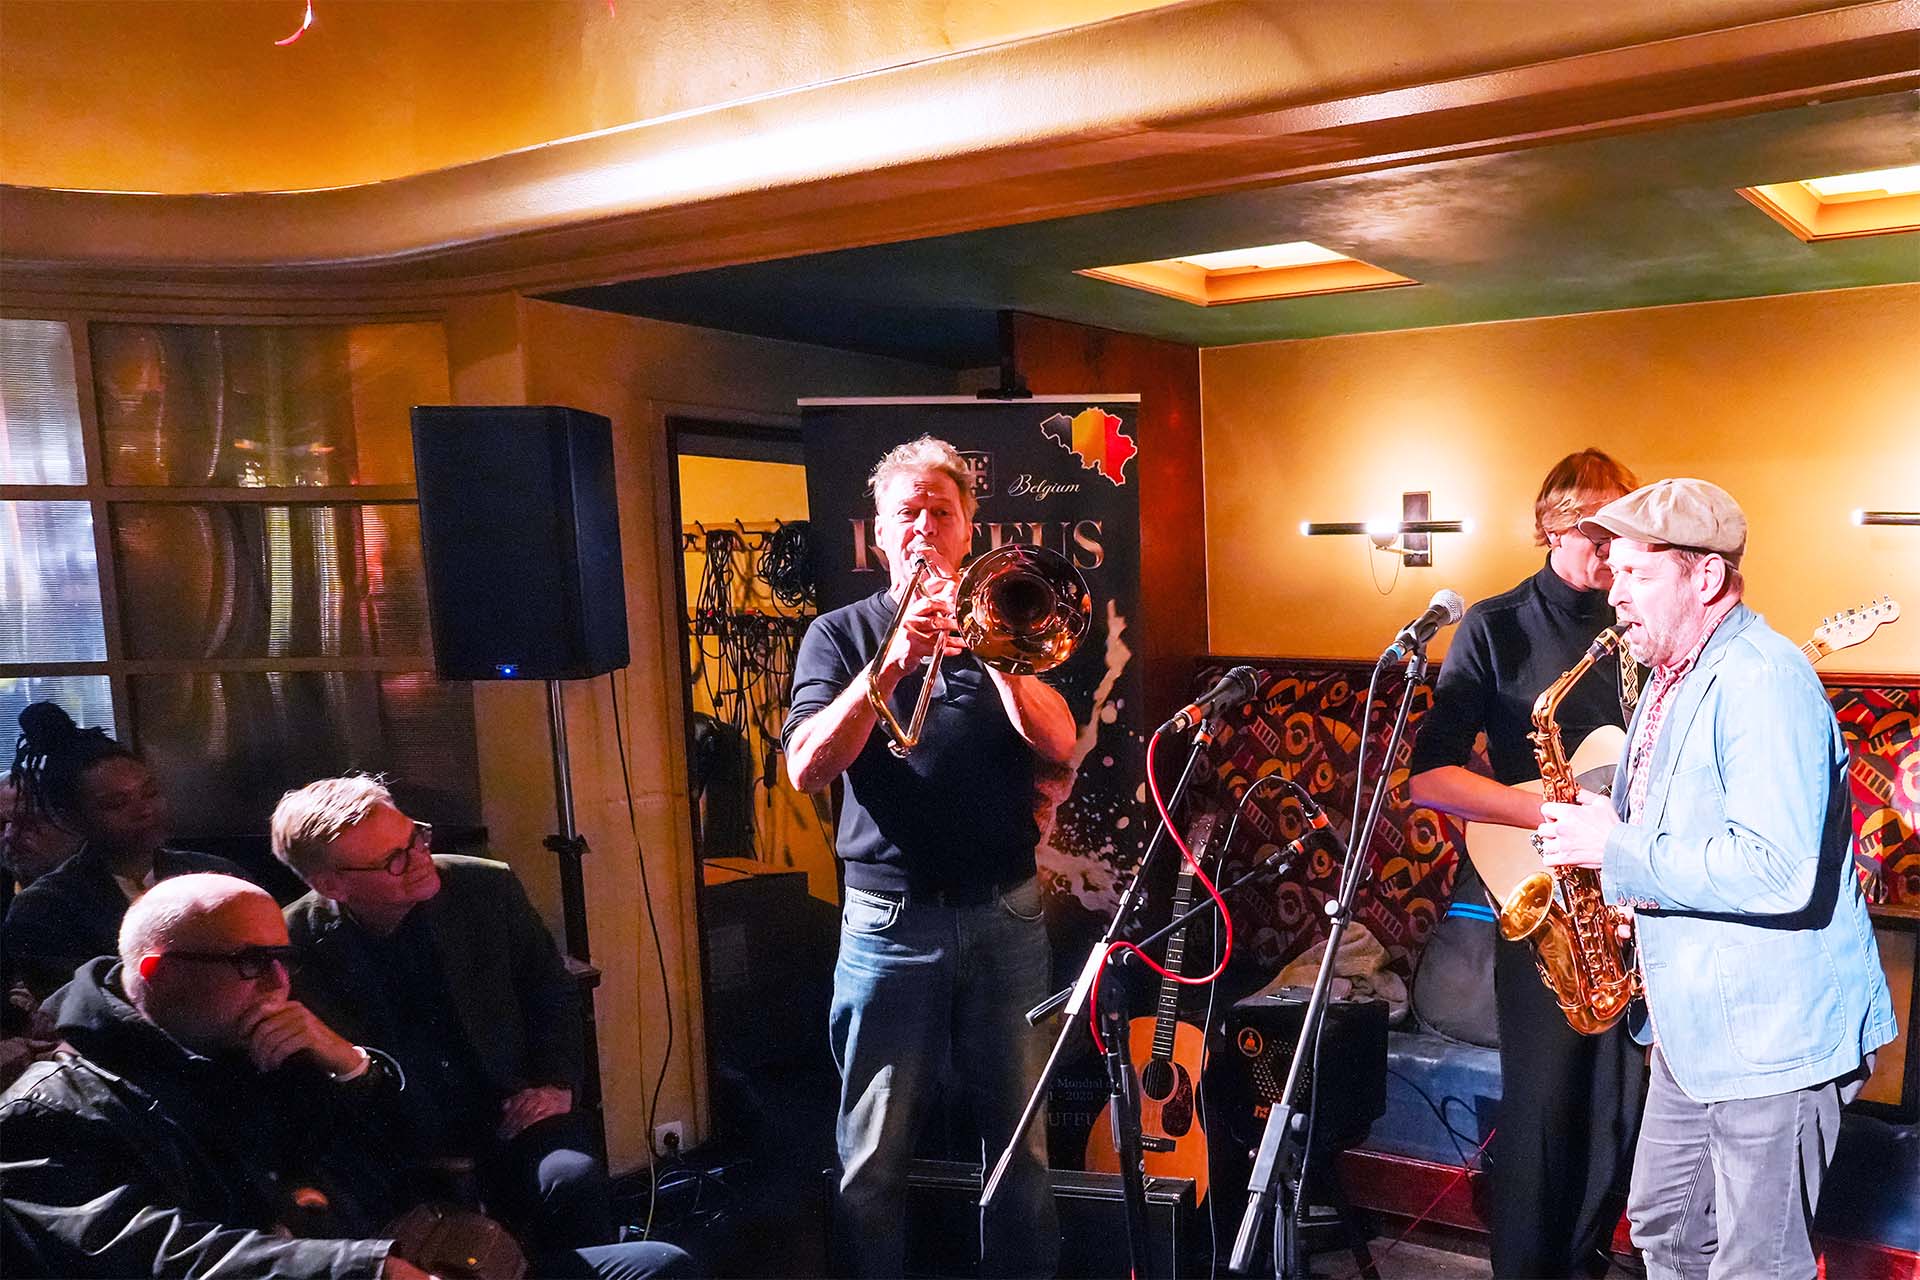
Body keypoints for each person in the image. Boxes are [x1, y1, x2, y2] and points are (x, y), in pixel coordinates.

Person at [1539, 477, 1896, 1280]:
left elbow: (1778, 870)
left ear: (1705, 578)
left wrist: (1616, 851)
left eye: (1636, 574)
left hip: (1774, 1039)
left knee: (1754, 1264)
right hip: (1693, 1029)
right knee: (1666, 1230)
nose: (1614, 594)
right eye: (1613, 573)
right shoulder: (1673, 677)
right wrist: (1618, 883)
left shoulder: (1763, 678)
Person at [0, 872, 689, 1280]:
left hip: (383, 1251)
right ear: (156, 971)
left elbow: (411, 1147)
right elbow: (146, 1254)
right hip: (338, 1269)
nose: (277, 984)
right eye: (251, 963)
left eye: (283, 960)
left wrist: (351, 1064)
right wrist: (357, 1268)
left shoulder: (260, 1043)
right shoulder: (53, 1110)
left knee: (657, 1264)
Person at [784, 434, 1074, 1278]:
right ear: (878, 533)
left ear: (968, 530)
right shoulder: (839, 634)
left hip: (1006, 913)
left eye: (939, 513)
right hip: (889, 923)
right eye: (906, 514)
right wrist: (894, 661)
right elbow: (806, 768)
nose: (923, 528)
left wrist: (996, 657)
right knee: (873, 1156)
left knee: (1022, 1149)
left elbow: (1060, 742)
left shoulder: (1005, 624)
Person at [1407, 448, 1644, 1278]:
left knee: (1619, 1114)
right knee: (1544, 1111)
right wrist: (1554, 814)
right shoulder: (1497, 624)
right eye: (1596, 531)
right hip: (1542, 890)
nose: (1613, 550)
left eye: (1623, 532)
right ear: (1551, 527)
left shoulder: (1640, 623)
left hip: (1633, 895)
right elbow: (1430, 777)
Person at [272, 774, 614, 1256]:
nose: (420, 858)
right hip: (392, 1144)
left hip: (511, 1108)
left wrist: (556, 1084)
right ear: (331, 884)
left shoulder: (485, 886)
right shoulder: (291, 945)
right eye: (394, 859)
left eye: (416, 837)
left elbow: (550, 989)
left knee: (572, 1181)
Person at [3, 702, 248, 998]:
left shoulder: (216, 875)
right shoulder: (45, 907)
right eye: (116, 804)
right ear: (69, 817)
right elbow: (79, 1005)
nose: (144, 810)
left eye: (150, 792)